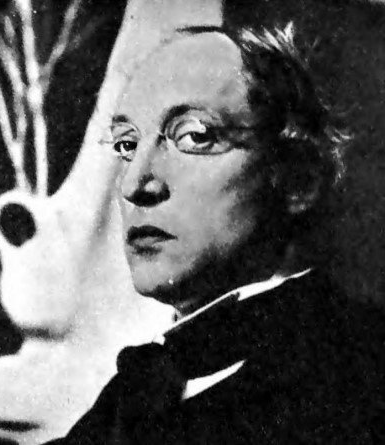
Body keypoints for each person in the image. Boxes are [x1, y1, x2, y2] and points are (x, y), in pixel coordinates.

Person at [44, 23, 385, 444]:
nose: (135, 184)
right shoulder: (135, 393)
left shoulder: (364, 374)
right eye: (127, 145)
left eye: (194, 136)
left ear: (299, 179)